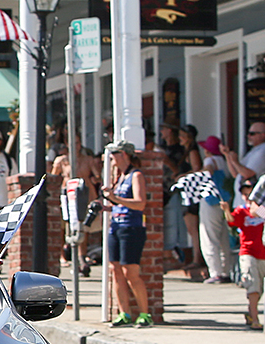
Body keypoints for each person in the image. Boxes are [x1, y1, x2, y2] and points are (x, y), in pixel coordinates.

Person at [100, 140, 152, 328]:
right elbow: (120, 205)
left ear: (124, 154)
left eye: (114, 154)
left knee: (130, 272)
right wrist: (107, 206)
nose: (111, 158)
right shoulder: (120, 177)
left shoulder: (135, 175)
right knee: (116, 271)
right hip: (116, 226)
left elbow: (140, 203)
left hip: (131, 228)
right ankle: (124, 313)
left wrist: (115, 198)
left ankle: (145, 314)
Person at [51, 133, 103, 276]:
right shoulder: (61, 160)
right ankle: (64, 256)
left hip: (84, 196)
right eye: (73, 143)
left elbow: (97, 176)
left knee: (82, 228)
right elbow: (53, 179)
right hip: (67, 196)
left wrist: (96, 177)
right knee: (65, 228)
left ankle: (81, 258)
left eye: (78, 143)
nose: (76, 146)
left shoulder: (87, 159)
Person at [221, 177, 265, 330]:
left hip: (264, 252)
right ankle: (255, 318)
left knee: (261, 287)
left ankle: (250, 312)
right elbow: (232, 221)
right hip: (248, 251)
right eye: (245, 194)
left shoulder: (262, 210)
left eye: (250, 193)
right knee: (252, 285)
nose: (247, 197)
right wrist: (226, 210)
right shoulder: (242, 210)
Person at [197, 134, 233, 284]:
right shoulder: (224, 161)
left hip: (210, 201)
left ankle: (215, 272)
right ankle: (226, 270)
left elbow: (208, 171)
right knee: (224, 237)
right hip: (225, 200)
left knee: (209, 237)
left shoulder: (209, 160)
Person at [221, 121, 265, 209]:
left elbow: (247, 174)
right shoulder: (254, 151)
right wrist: (228, 156)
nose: (248, 136)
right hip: (242, 204)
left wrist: (235, 161)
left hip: (255, 205)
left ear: (263, 135)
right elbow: (236, 174)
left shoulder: (264, 152)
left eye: (252, 134)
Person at [159, 122, 187, 265]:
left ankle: (176, 256)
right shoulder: (163, 148)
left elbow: (178, 170)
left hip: (174, 190)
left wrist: (167, 161)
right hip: (162, 189)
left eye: (163, 128)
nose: (161, 131)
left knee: (175, 224)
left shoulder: (178, 150)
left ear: (169, 130)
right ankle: (166, 254)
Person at [177, 123, 203, 269]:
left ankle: (197, 259)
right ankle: (196, 257)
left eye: (182, 135)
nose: (179, 138)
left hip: (192, 193)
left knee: (193, 229)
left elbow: (197, 169)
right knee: (191, 229)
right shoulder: (186, 152)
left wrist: (182, 176)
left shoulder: (192, 152)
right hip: (187, 192)